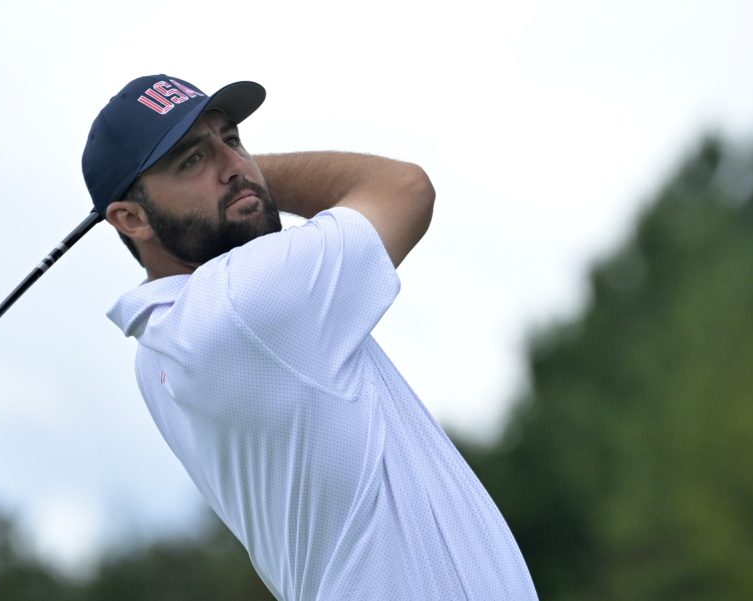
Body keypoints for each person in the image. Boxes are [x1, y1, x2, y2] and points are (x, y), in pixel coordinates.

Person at [82, 74, 538, 601]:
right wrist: (252, 177)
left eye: (232, 140)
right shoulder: (244, 301)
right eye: (191, 160)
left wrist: (226, 175)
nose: (234, 165)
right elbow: (405, 187)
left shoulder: (158, 348)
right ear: (131, 218)